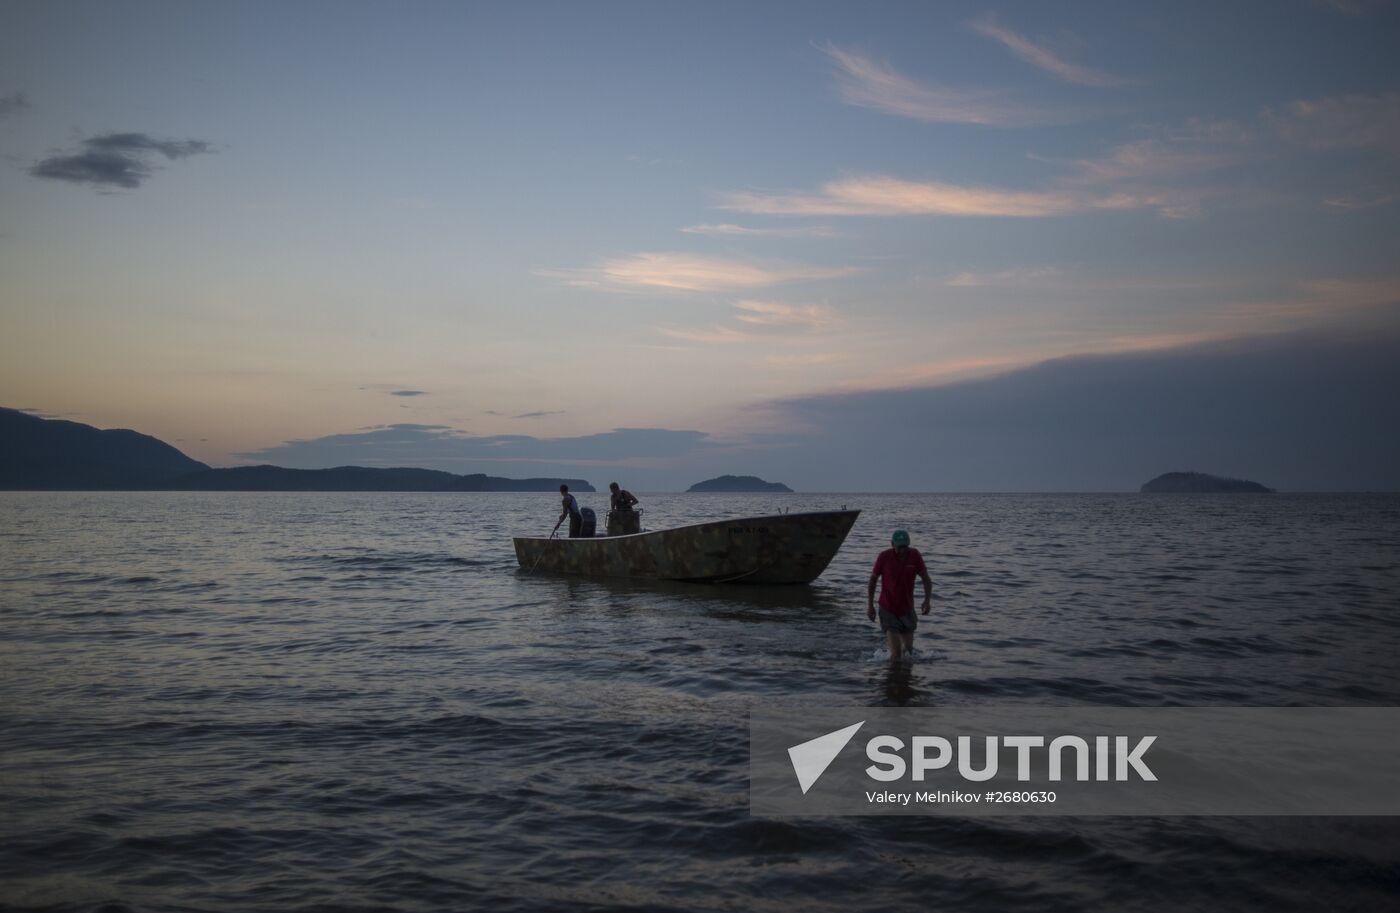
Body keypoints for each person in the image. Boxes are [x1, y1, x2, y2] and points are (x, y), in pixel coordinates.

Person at [867, 529, 932, 661]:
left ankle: (904, 679)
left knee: (908, 652)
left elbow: (926, 578)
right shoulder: (884, 557)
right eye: (899, 547)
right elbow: (873, 579)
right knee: (896, 654)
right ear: (892, 544)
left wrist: (927, 600)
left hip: (907, 609)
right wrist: (870, 605)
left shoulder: (914, 555)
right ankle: (891, 679)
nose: (902, 551)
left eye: (905, 547)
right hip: (888, 608)